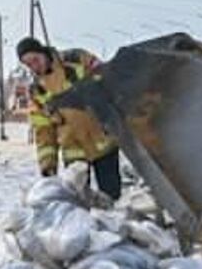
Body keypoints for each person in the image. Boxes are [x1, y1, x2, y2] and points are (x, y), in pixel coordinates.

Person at [16, 36, 122, 199]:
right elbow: (44, 131)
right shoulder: (37, 91)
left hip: (103, 142)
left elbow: (107, 81)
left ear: (43, 52)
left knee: (111, 198)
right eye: (28, 64)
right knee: (79, 202)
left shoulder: (77, 59)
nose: (34, 66)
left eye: (35, 59)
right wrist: (47, 166)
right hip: (74, 152)